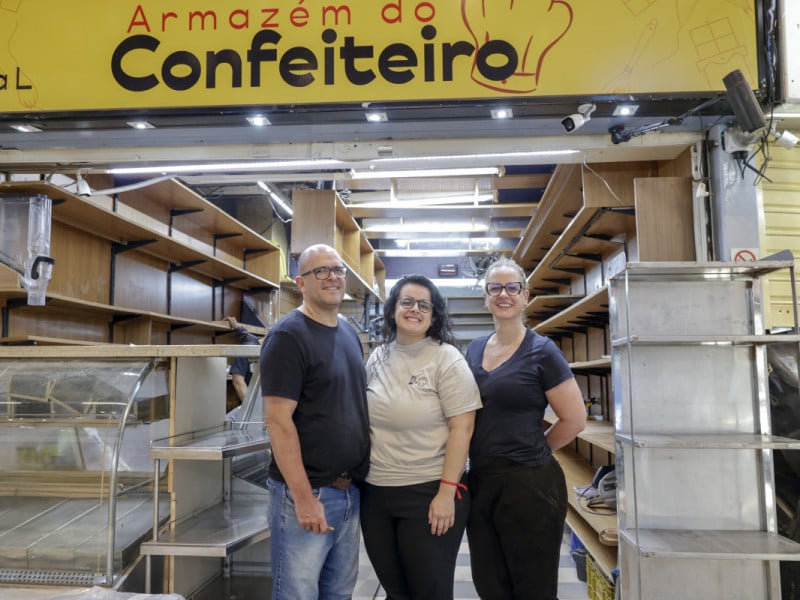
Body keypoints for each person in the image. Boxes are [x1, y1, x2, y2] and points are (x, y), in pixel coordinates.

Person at [465, 257, 586, 600]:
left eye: (512, 287)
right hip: (481, 482)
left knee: (533, 588)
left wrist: (536, 448)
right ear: (485, 297)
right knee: (490, 585)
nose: (503, 294)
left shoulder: (543, 351)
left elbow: (575, 420)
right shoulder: (474, 349)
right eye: (495, 288)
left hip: (530, 485)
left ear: (525, 296)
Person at [360, 274, 482, 600]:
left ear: (434, 315)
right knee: (395, 591)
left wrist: (446, 492)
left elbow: (463, 428)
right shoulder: (378, 357)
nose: (415, 309)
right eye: (407, 302)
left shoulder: (446, 359)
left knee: (429, 592)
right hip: (377, 494)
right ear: (393, 309)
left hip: (428, 492)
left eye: (424, 305)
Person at [260, 243, 370, 600]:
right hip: (309, 496)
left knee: (339, 593)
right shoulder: (288, 337)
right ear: (301, 283)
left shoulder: (348, 332)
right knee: (297, 594)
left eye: (337, 270)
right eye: (320, 271)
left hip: (349, 491)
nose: (332, 277)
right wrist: (305, 498)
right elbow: (278, 422)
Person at [223, 315, 260, 409]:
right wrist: (251, 409)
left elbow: (247, 337)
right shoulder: (249, 348)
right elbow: (238, 380)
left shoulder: (253, 342)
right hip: (253, 408)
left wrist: (238, 327)